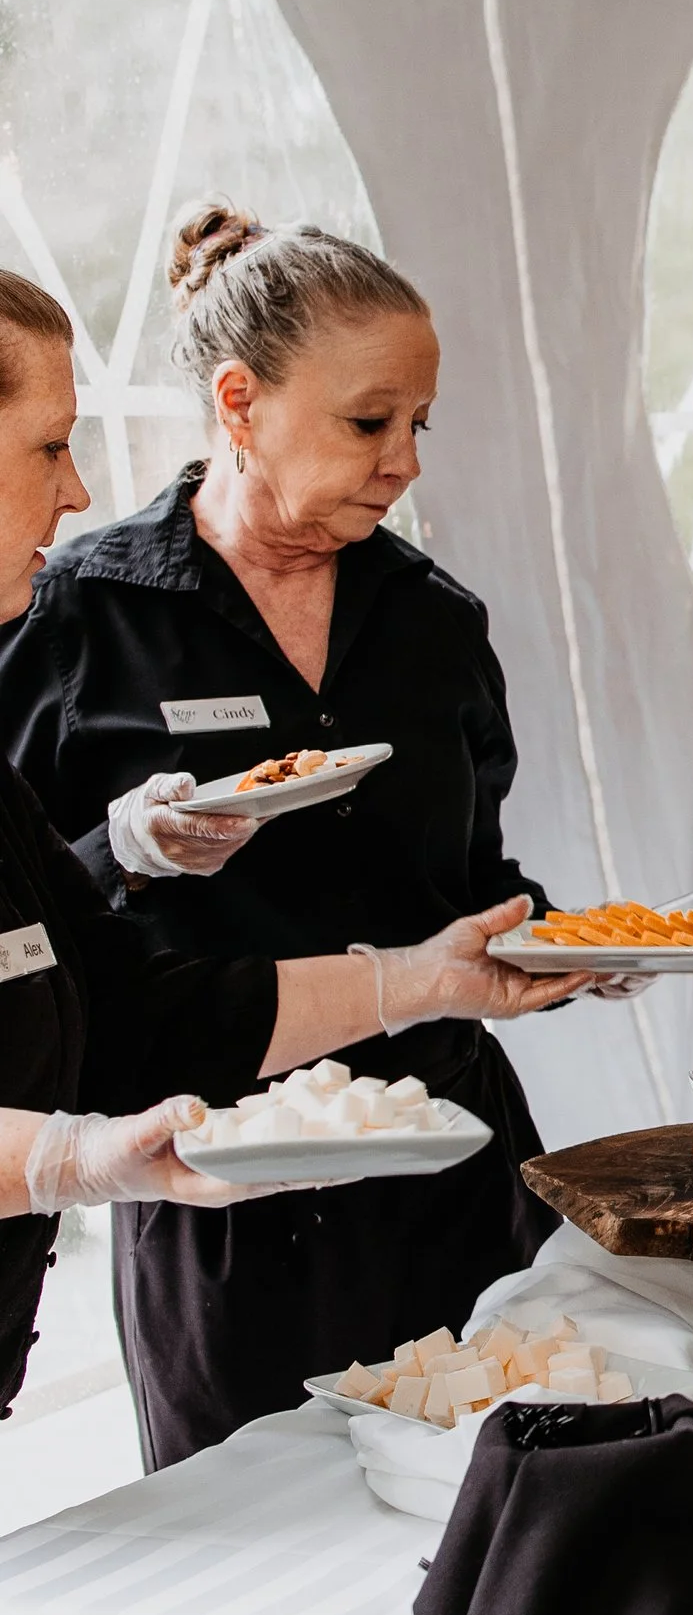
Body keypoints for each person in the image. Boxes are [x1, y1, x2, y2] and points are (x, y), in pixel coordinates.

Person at [0, 207, 594, 1463]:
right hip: (221, 1186)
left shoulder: (437, 626)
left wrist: (545, 947)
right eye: (369, 422)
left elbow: (476, 883)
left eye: (418, 425)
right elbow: (43, 928)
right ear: (240, 402)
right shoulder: (73, 616)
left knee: (504, 1525)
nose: (405, 463)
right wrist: (134, 848)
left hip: (447, 1165)